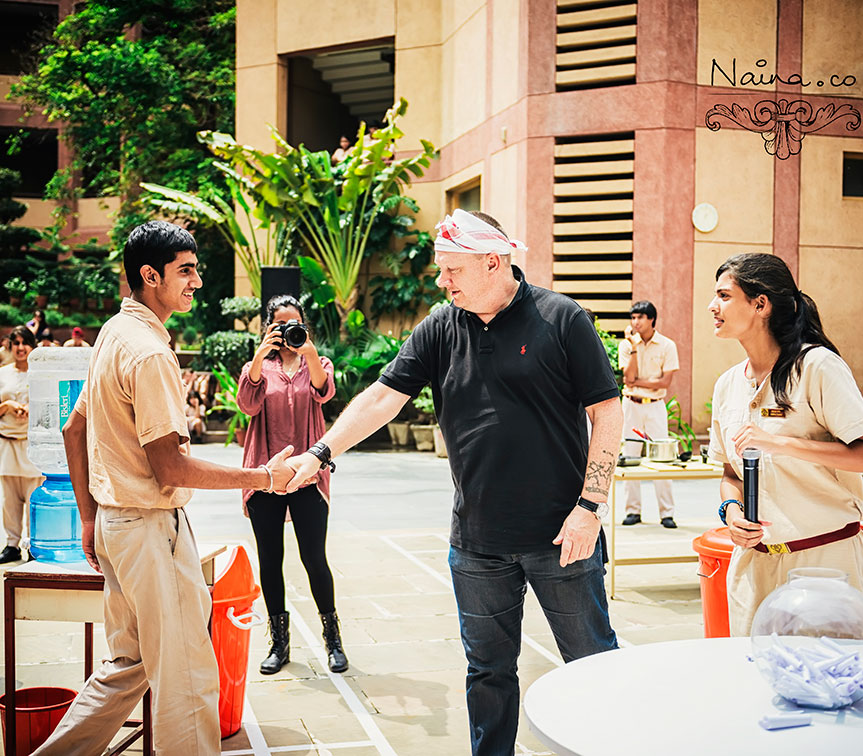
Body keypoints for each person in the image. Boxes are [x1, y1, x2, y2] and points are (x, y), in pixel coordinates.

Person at [281, 209, 622, 755]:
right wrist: (320, 452)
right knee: (487, 672)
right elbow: (382, 398)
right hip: (478, 542)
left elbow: (607, 411)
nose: (442, 282)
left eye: (451, 270)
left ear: (492, 261)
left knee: (593, 663)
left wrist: (590, 506)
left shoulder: (562, 319)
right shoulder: (442, 325)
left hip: (563, 536)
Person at [35, 221, 295, 756]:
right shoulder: (149, 352)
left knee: (127, 667)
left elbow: (74, 428)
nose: (197, 281)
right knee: (188, 678)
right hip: (148, 530)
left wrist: (89, 518)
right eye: (186, 270)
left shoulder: (114, 333)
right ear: (149, 276)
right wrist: (264, 477)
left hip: (116, 524)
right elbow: (170, 468)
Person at [707, 253, 863, 636]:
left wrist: (783, 443)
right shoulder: (728, 384)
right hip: (753, 568)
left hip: (825, 563)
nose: (713, 306)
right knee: (752, 684)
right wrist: (731, 510)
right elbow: (730, 471)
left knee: (828, 686)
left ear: (761, 304)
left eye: (724, 296)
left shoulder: (817, 367)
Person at [237, 294, 346, 674]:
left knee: (315, 558)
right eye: (280, 325)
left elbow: (324, 392)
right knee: (270, 560)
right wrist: (258, 354)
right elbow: (247, 405)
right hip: (264, 474)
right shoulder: (259, 368)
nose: (287, 332)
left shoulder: (317, 362)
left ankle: (333, 640)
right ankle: (279, 644)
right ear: (269, 327)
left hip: (308, 475)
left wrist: (310, 353)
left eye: (293, 323)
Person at [618, 300, 680, 528]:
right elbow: (627, 378)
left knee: (661, 457)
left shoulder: (667, 345)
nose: (636, 322)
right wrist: (634, 348)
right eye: (633, 318)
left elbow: (664, 382)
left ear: (652, 319)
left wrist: (639, 382)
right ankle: (632, 511)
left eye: (640, 317)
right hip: (631, 405)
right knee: (630, 457)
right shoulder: (626, 345)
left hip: (655, 406)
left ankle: (667, 513)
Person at [0, 326, 43, 564]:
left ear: (32, 345)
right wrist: (6, 406)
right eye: (15, 343)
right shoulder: (3, 374)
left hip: (32, 443)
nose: (20, 348)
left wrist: (31, 410)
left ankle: (33, 544)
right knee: (9, 498)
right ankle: (11, 544)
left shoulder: (40, 373)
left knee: (33, 496)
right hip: (7, 441)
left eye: (25, 342)